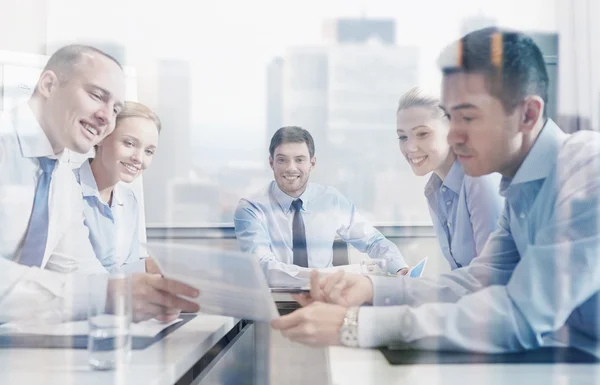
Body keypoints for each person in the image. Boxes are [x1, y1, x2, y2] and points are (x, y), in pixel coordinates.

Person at [272, 27, 600, 353]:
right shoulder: (519, 188)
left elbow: (521, 314)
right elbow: (476, 281)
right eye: (451, 118)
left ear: (527, 115)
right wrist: (371, 288)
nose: (454, 136)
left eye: (468, 118)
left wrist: (355, 325)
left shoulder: (589, 174)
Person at [0, 45, 199, 323]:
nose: (107, 117)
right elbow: (96, 291)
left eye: (116, 109)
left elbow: (80, 270)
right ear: (48, 85)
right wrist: (108, 295)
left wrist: (145, 296)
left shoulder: (60, 179)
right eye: (96, 95)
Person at [234, 126, 409, 287]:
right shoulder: (251, 208)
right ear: (271, 162)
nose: (291, 168)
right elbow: (263, 268)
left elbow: (373, 241)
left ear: (312, 163)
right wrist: (326, 276)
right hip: (276, 303)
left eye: (299, 160)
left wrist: (399, 267)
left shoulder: (331, 199)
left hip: (326, 299)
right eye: (282, 160)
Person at [396, 87, 503, 269]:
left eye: (422, 134)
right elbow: (460, 272)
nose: (410, 147)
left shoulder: (479, 178)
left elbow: (494, 273)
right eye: (403, 137)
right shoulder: (435, 190)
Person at [74, 101, 160, 273]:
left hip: (115, 297)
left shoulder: (129, 200)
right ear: (101, 138)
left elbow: (124, 267)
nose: (139, 158)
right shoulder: (65, 189)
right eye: (129, 143)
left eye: (148, 151)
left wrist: (148, 267)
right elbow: (72, 272)